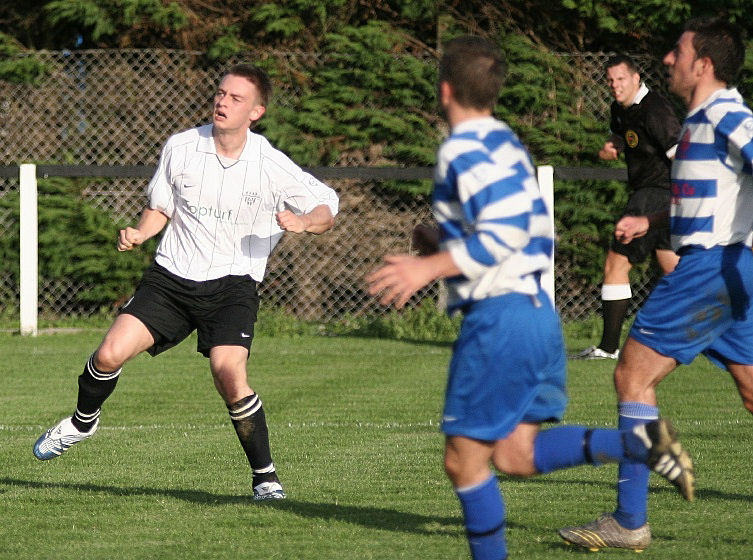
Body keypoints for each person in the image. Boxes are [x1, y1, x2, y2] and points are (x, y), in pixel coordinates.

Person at [366, 35, 693, 560]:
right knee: (515, 456)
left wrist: (427, 266)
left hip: (500, 320)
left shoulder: (462, 148)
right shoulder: (504, 141)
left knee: (464, 462)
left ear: (444, 89)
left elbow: (503, 232)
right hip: (538, 317)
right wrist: (439, 243)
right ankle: (641, 443)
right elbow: (521, 228)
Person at [32, 63, 339, 501]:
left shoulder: (270, 164)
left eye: (236, 98)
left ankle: (265, 477)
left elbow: (327, 206)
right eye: (220, 93)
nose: (223, 102)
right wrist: (141, 231)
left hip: (233, 285)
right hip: (171, 278)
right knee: (108, 354)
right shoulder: (182, 146)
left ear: (256, 111)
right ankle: (82, 422)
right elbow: (162, 206)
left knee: (228, 373)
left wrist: (306, 222)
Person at [560, 17, 753, 551]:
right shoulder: (700, 120)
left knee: (632, 376)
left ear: (704, 63)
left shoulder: (725, 114)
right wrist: (653, 223)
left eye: (678, 51)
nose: (668, 59)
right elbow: (709, 201)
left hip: (710, 270)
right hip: (725, 268)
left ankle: (628, 520)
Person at [571, 54, 681, 360]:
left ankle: (608, 348)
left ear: (636, 78)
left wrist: (688, 195)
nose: (615, 86)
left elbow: (679, 153)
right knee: (676, 271)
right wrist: (612, 145)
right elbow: (622, 138)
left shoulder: (655, 109)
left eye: (621, 79)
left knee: (615, 264)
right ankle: (713, 334)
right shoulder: (621, 110)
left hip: (655, 194)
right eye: (611, 80)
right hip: (658, 195)